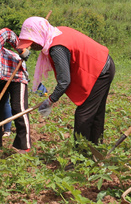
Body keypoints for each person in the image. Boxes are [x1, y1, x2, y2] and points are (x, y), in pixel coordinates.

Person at [18, 17, 115, 146]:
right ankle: (96, 150)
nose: (31, 46)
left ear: (40, 35)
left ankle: (82, 156)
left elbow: (64, 81)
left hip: (100, 70)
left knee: (83, 115)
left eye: (32, 42)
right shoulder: (55, 33)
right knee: (95, 112)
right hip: (103, 64)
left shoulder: (57, 47)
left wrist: (50, 100)